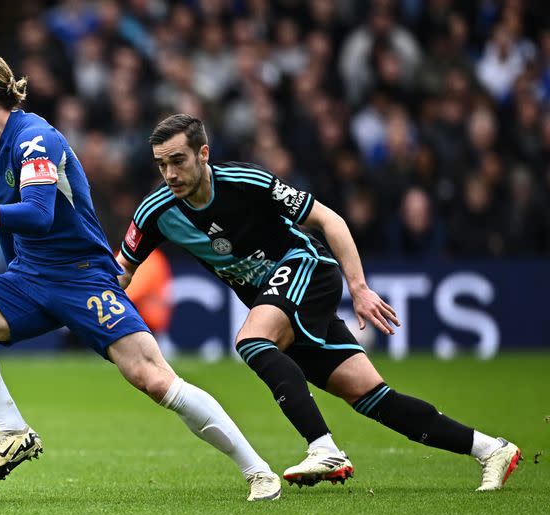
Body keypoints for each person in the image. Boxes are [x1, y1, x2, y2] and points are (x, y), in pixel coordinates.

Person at [0, 53, 281, 501]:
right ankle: (13, 432)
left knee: (155, 380)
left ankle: (258, 470)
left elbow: (38, 215)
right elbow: (12, 226)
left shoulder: (35, 140)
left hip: (82, 277)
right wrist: (14, 274)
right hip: (29, 276)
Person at [117, 114, 521, 491]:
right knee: (372, 397)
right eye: (161, 164)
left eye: (178, 160)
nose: (170, 173)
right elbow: (121, 271)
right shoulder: (155, 212)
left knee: (253, 341)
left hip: (308, 267)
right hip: (280, 298)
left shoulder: (246, 182)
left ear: (203, 154)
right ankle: (491, 449)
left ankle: (324, 448)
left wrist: (359, 288)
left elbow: (330, 220)